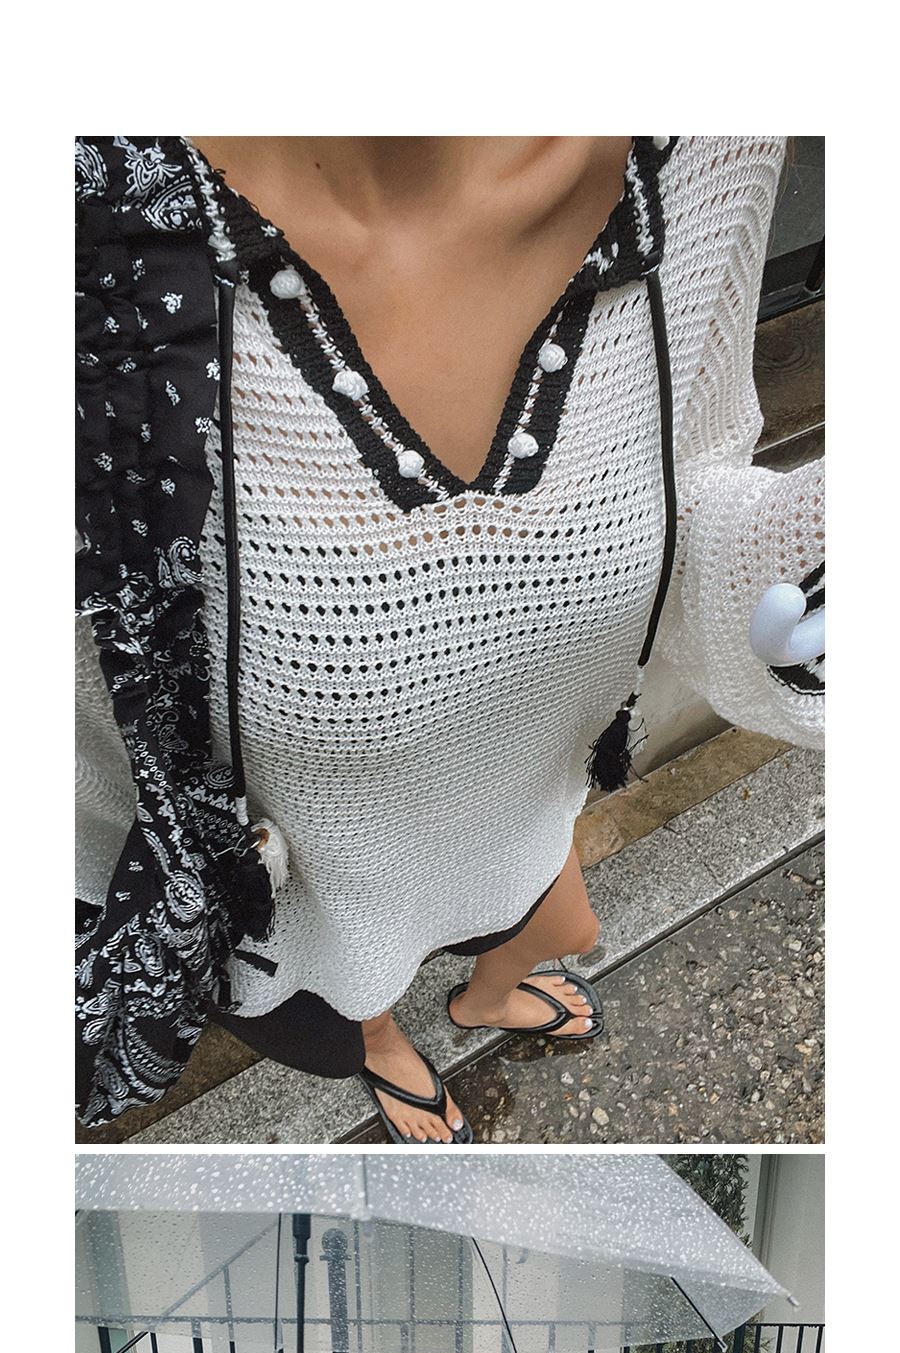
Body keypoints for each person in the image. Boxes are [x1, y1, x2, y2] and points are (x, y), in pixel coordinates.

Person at [76, 136, 824, 1139]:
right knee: (357, 995)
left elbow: (687, 489)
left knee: (569, 925)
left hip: (525, 805)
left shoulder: (715, 146)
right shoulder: (83, 242)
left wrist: (797, 555)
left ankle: (481, 1000)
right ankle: (385, 1044)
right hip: (312, 884)